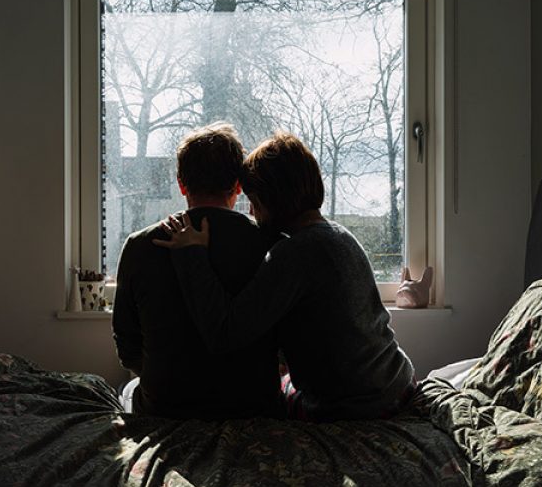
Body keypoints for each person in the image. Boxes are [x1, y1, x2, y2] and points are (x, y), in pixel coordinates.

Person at [154, 132, 415, 422]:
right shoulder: (340, 236)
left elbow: (224, 333)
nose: (251, 212)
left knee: (267, 396)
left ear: (271, 199)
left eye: (254, 202)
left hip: (355, 405)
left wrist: (192, 255)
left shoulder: (295, 252)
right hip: (396, 381)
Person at [111, 123, 281, 420]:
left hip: (166, 407)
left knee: (128, 390)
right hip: (253, 407)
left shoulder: (139, 246)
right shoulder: (271, 244)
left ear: (181, 184)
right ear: (238, 186)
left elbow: (127, 346)